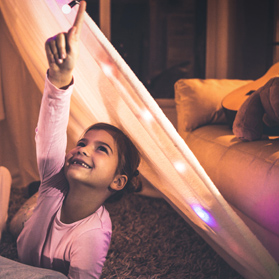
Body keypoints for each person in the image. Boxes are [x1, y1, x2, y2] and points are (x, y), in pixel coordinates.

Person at [16, 1, 141, 278]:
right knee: (12, 207)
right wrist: (60, 80)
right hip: (29, 219)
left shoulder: (94, 234)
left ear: (117, 181)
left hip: (39, 212)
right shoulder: (54, 180)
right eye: (82, 143)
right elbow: (50, 135)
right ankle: (27, 200)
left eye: (101, 149)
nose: (83, 149)